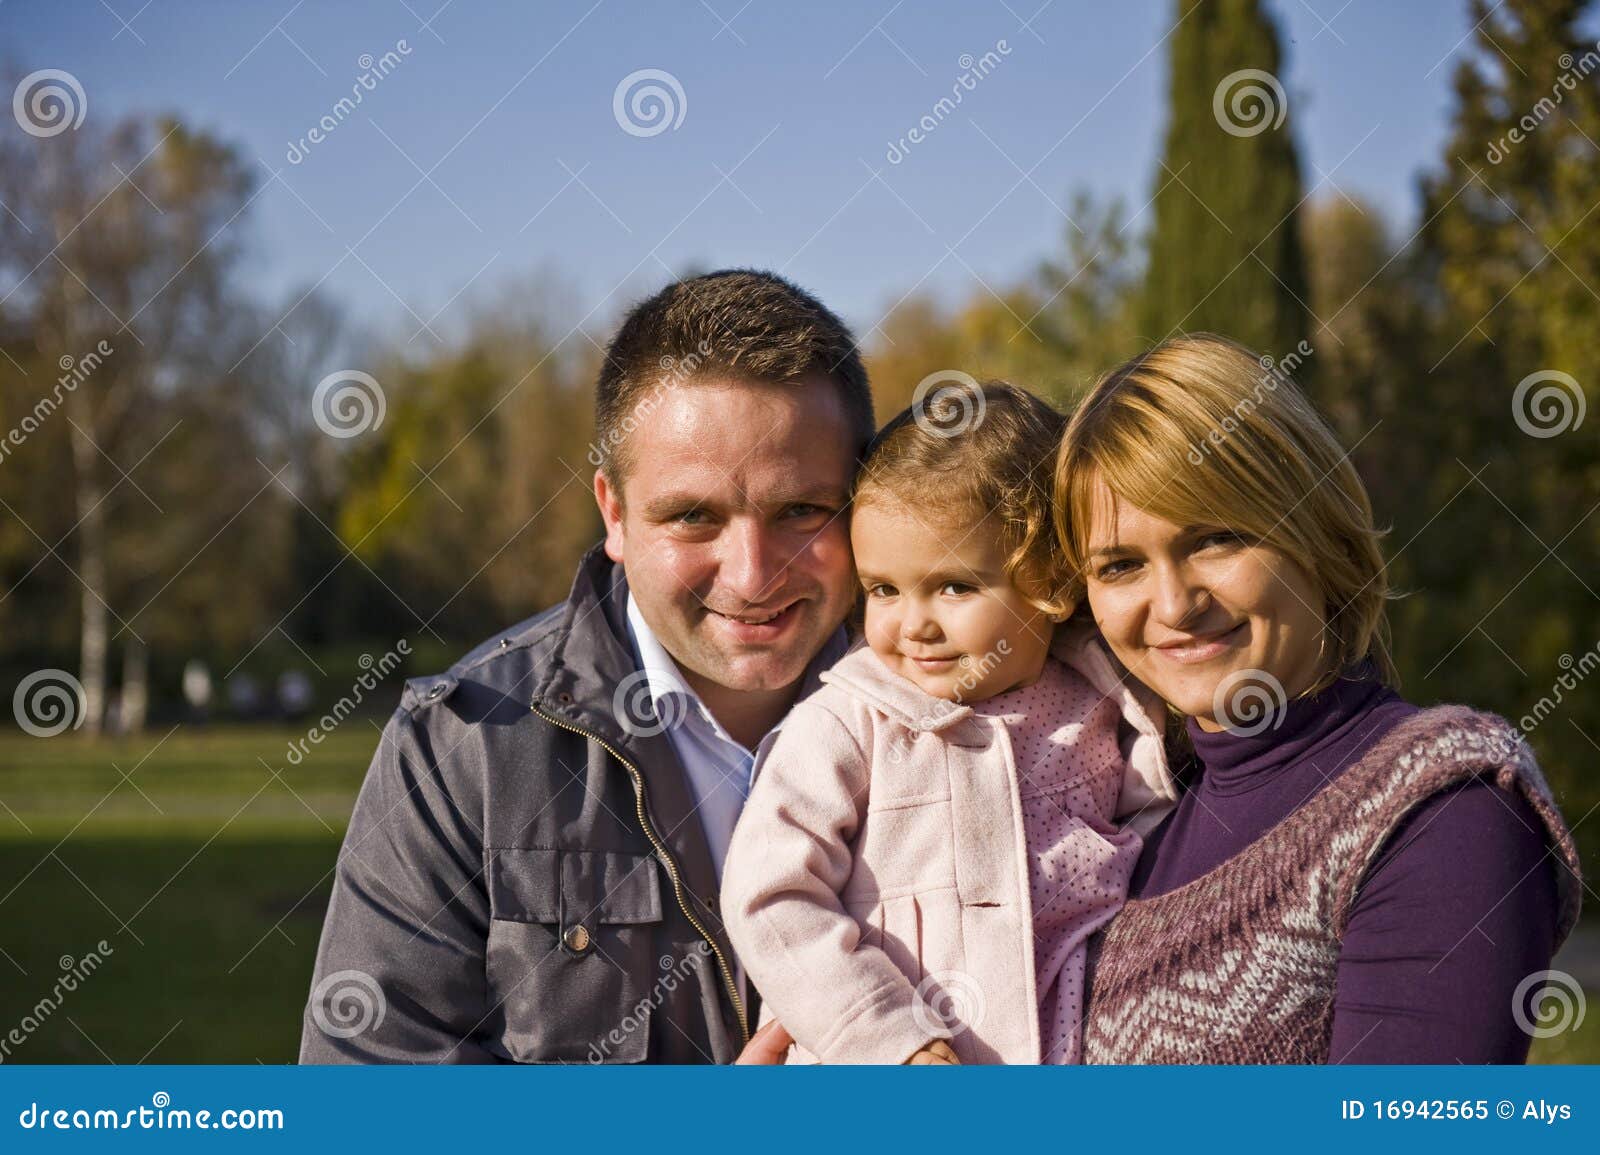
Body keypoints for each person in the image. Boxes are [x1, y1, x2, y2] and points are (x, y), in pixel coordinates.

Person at [298, 269, 873, 1063]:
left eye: (801, 511)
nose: (751, 574)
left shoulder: (990, 720)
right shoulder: (463, 746)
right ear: (614, 512)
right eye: (693, 516)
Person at [1057, 334, 1584, 1063]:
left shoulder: (1441, 800)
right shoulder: (1123, 823)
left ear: (1315, 529)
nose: (1174, 604)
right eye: (1121, 564)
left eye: (1217, 538)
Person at [720, 383, 1176, 1064]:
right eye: (883, 589)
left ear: (1049, 577)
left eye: (955, 586)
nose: (914, 624)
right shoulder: (851, 721)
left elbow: (1160, 855)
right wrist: (889, 1039)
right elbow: (770, 894)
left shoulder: (1109, 705)